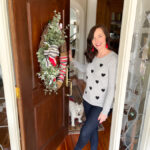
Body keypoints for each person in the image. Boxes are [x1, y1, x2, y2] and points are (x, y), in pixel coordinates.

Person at [69, 25, 118, 150]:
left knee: (85, 131)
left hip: (100, 105)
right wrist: (72, 60)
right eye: (93, 38)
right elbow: (85, 69)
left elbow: (112, 87)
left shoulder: (113, 58)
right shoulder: (94, 55)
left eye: (99, 36)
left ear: (106, 37)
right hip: (87, 100)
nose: (96, 41)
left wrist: (105, 111)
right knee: (93, 131)